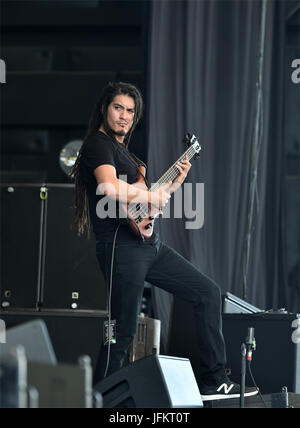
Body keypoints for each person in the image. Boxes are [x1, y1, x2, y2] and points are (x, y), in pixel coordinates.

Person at [70, 81, 258, 401]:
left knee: (207, 293)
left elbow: (147, 206)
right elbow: (109, 188)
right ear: (104, 108)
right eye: (118, 108)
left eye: (131, 111)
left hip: (149, 245)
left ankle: (214, 380)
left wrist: (174, 184)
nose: (124, 116)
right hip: (121, 248)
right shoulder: (97, 145)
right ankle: (96, 399)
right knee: (122, 333)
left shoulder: (125, 153)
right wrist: (151, 193)